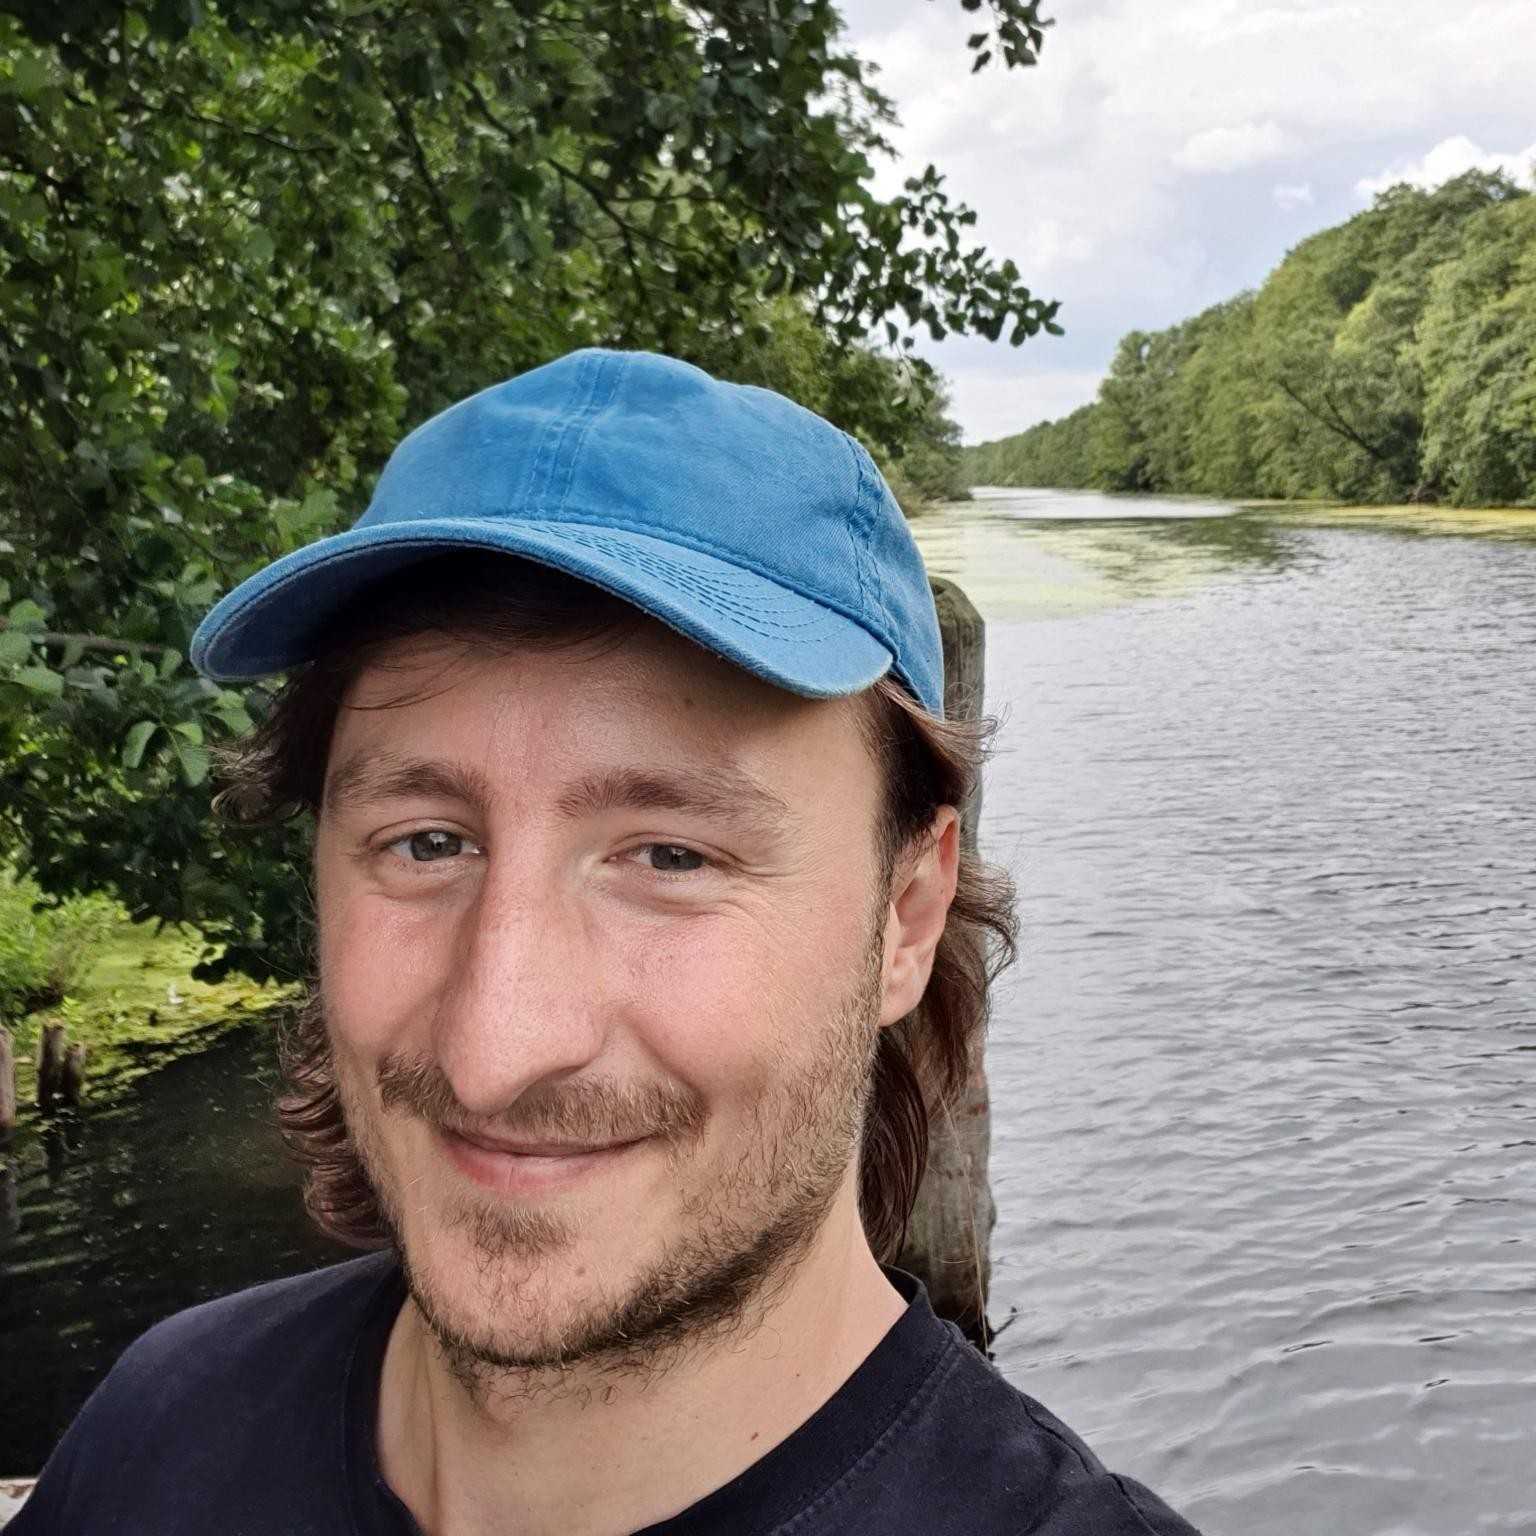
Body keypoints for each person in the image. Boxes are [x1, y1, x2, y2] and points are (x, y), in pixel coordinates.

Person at [10, 349, 1200, 1535]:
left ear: (908, 917)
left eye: (671, 857)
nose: (495, 1048)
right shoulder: (157, 1437)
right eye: (427, 843)